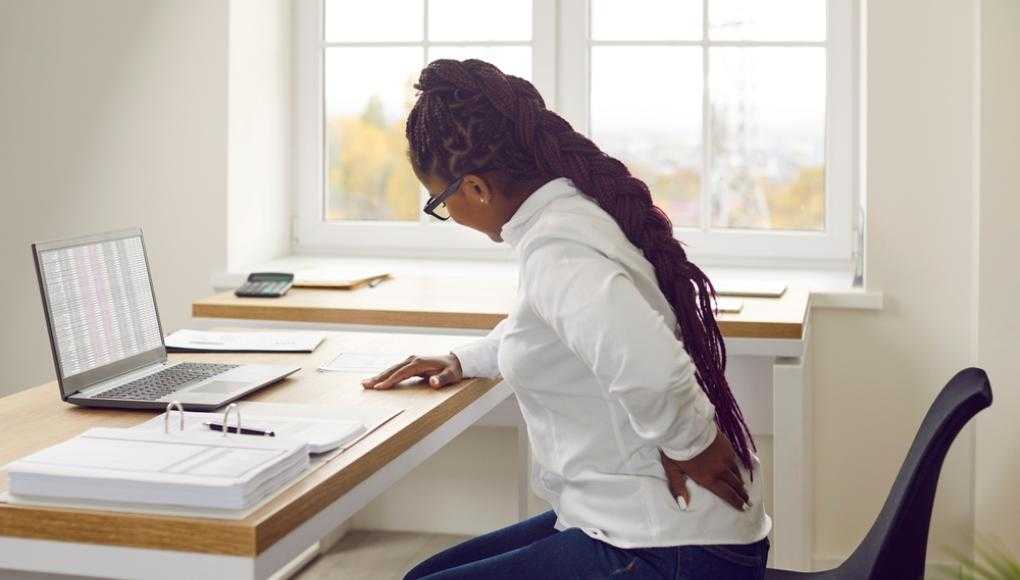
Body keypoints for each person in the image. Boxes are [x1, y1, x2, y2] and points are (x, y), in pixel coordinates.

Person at [361, 59, 771, 580]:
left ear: (477, 189)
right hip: (652, 530)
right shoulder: (569, 218)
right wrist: (465, 358)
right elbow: (551, 329)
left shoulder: (555, 249)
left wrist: (693, 445)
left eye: (441, 201)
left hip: (671, 549)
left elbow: (649, 365)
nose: (450, 215)